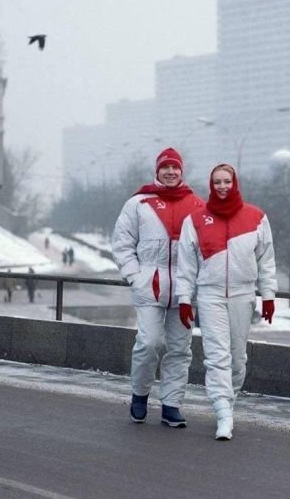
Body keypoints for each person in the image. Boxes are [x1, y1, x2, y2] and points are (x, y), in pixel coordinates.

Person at [176, 164, 277, 440]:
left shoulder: (256, 217)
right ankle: (223, 412)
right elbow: (185, 265)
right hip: (210, 294)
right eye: (217, 182)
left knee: (237, 359)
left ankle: (228, 403)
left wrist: (268, 295)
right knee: (216, 357)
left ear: (235, 183)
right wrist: (185, 298)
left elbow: (266, 260)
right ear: (211, 185)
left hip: (243, 294)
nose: (222, 186)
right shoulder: (195, 220)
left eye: (226, 181)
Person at [112, 147, 204, 427]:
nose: (171, 172)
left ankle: (171, 404)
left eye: (175, 168)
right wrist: (134, 275)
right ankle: (139, 395)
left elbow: (205, 249)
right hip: (149, 286)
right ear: (158, 171)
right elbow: (122, 242)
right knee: (149, 342)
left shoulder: (198, 205)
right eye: (166, 167)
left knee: (180, 348)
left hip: (185, 290)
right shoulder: (138, 203)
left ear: (181, 171)